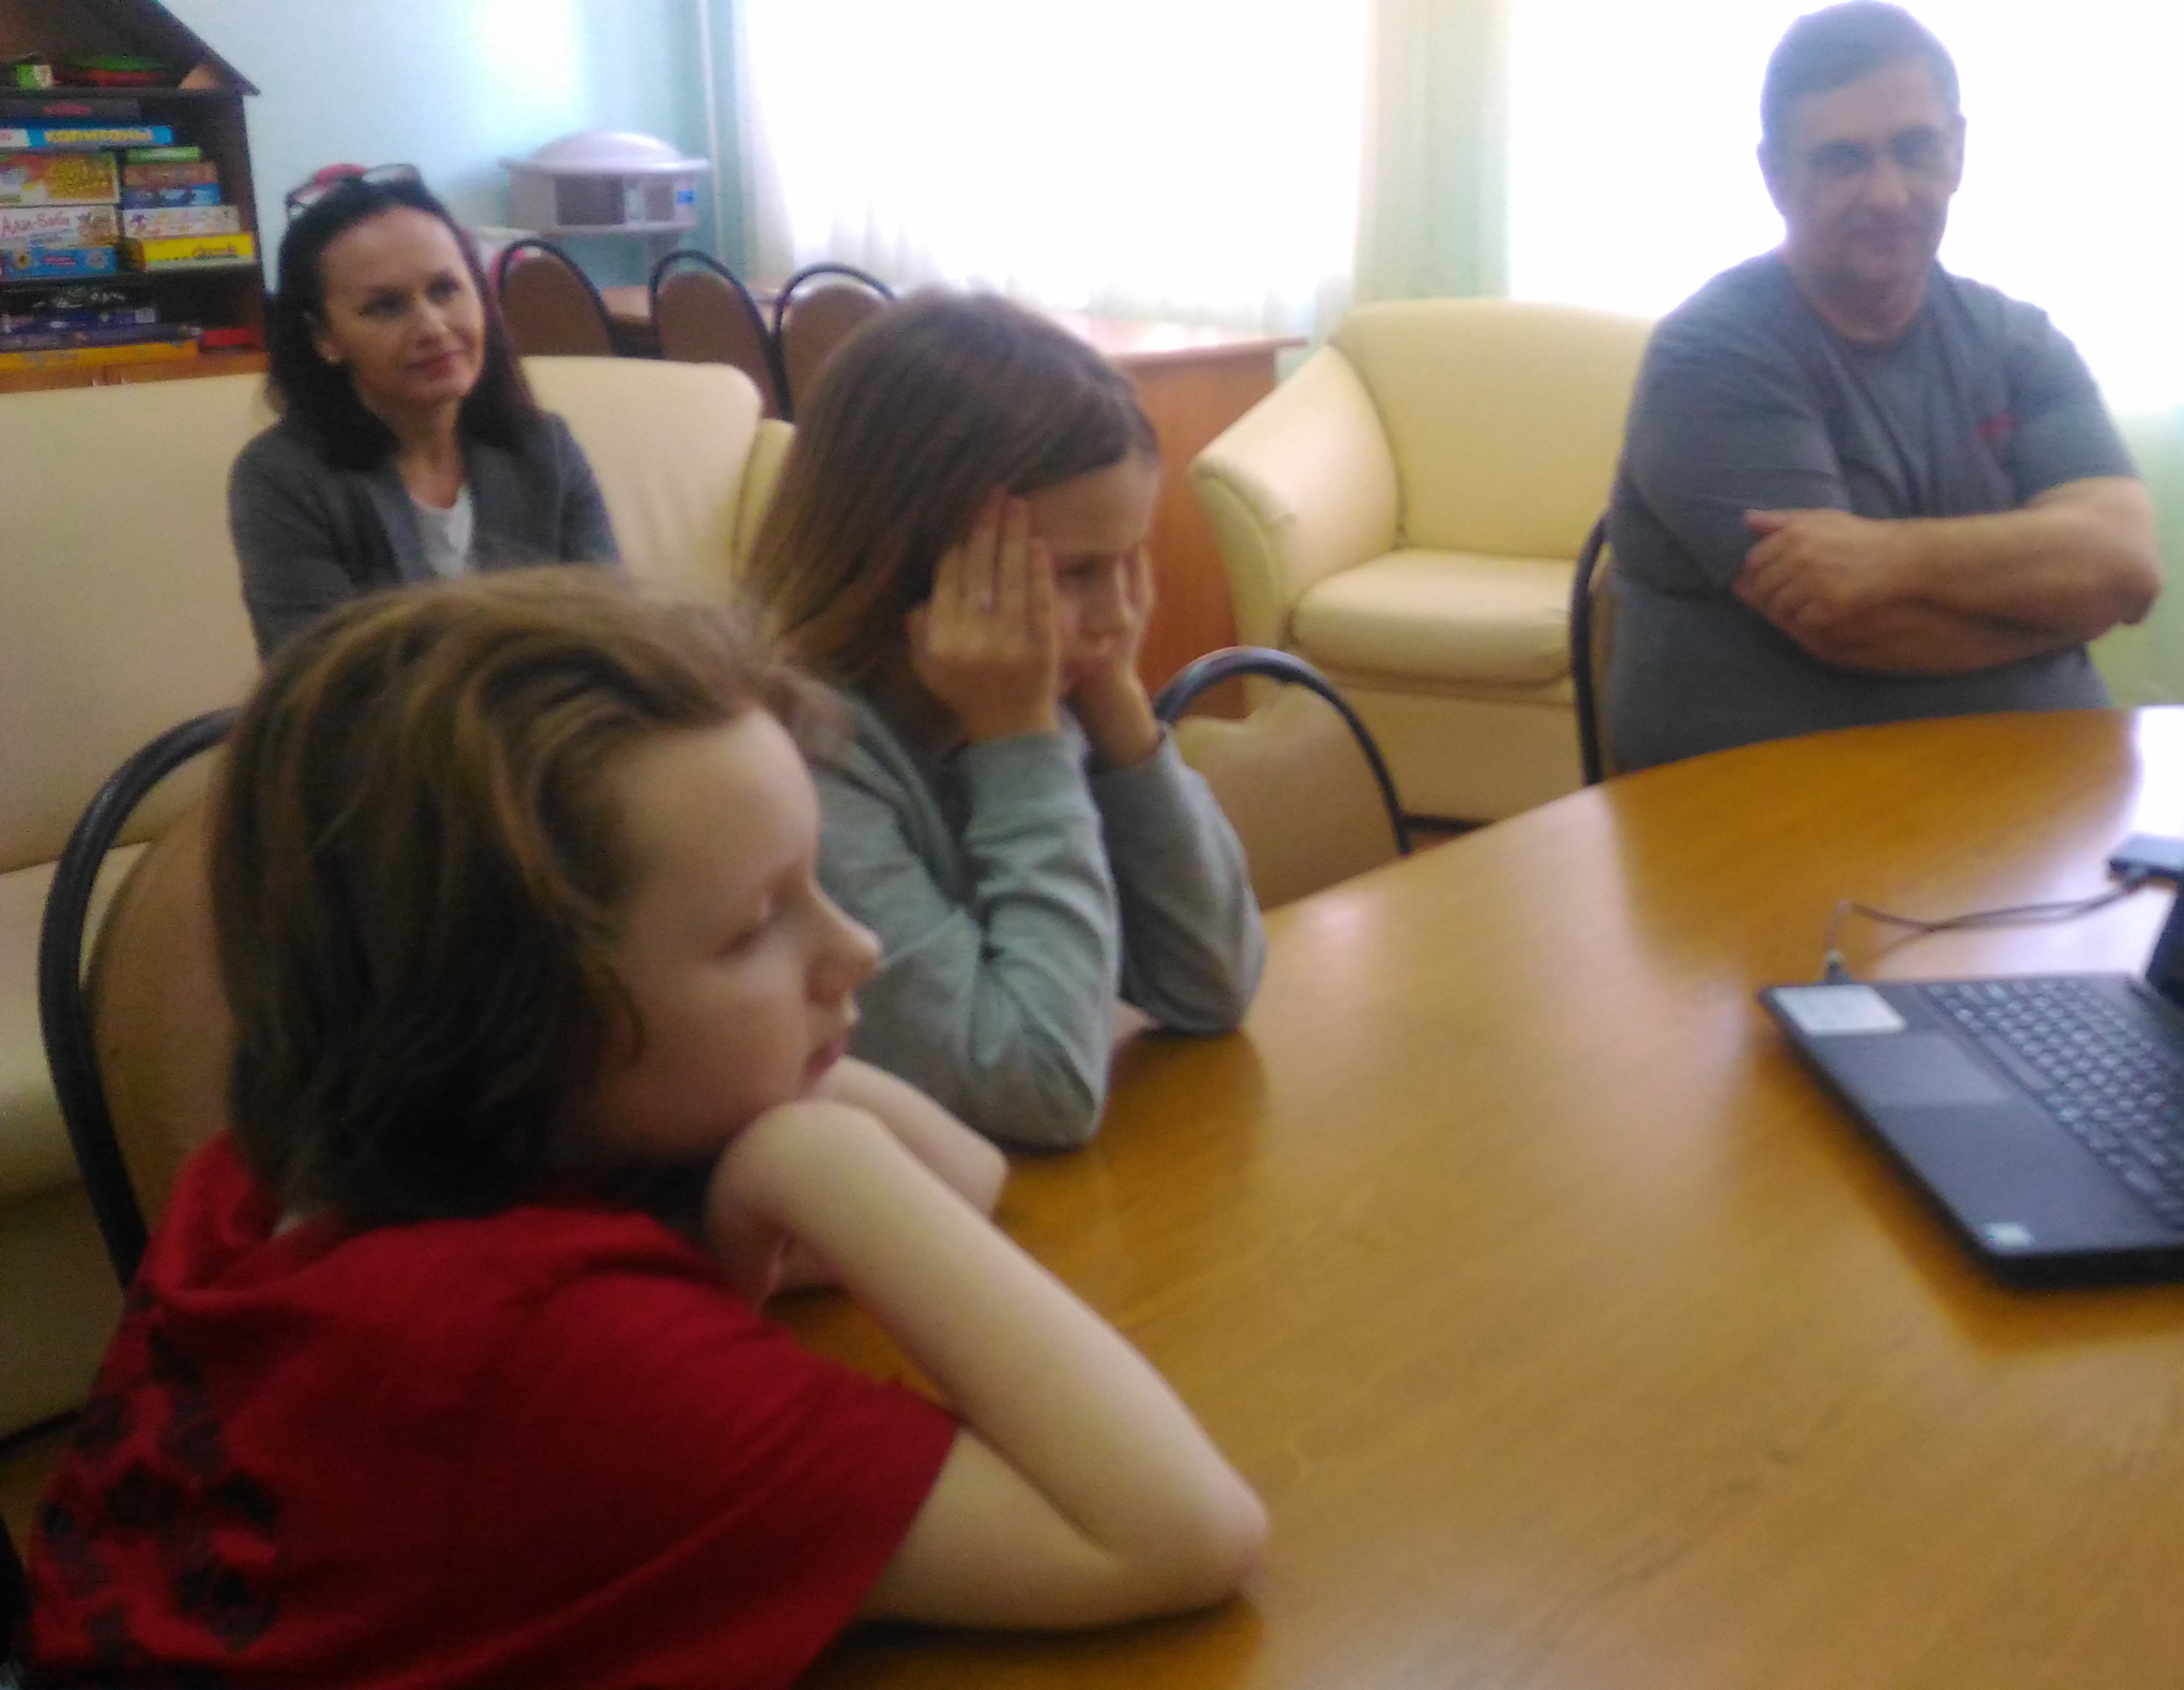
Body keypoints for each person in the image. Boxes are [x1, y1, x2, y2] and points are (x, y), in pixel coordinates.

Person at [18, 572, 1267, 1689]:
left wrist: (780, 1137)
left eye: (818, 882)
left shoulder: (285, 1165)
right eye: (755, 925)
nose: (857, 947)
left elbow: (964, 1175)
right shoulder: (556, 1357)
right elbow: (1175, 1532)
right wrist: (817, 1157)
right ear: (513, 1022)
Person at [742, 293, 1264, 1151]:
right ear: (908, 562)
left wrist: (1118, 710)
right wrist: (1020, 750)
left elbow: (1211, 983)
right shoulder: (797, 763)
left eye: (1128, 563)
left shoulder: (1018, 693)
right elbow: (1041, 1084)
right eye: (1074, 574)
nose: (1116, 615)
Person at [1602, 1, 2163, 771]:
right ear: (1776, 177)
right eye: (1842, 160)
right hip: (1769, 810)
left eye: (1914, 150)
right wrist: (2064, 611)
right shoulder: (1710, 356)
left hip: (2041, 792)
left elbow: (2126, 565)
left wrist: (1893, 559)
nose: (1889, 195)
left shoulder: (2018, 339)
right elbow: (1853, 628)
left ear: (1957, 152)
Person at [230, 169, 616, 657]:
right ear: (324, 337)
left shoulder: (545, 446)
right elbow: (322, 680)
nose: (433, 327)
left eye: (445, 289)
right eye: (385, 307)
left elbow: (612, 635)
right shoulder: (282, 478)